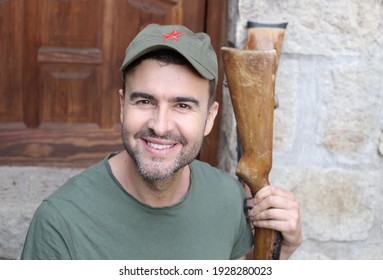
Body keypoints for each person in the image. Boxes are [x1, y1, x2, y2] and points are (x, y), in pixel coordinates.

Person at [21, 24, 301, 260]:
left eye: (182, 105)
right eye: (144, 101)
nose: (160, 125)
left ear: (209, 118)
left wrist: (280, 253)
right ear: (122, 105)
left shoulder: (228, 198)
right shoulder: (59, 222)